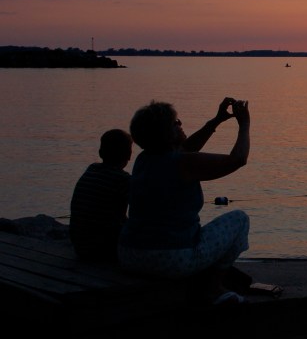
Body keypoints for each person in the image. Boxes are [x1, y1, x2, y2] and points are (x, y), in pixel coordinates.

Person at [119, 97, 251, 304]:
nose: (180, 124)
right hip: (170, 260)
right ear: (166, 133)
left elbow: (186, 150)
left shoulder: (144, 159)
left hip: (129, 255)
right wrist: (244, 125)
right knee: (240, 220)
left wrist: (215, 121)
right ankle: (212, 288)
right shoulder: (183, 164)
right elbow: (238, 159)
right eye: (175, 122)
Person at [69, 129, 133, 262]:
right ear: (129, 155)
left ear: (100, 153)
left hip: (80, 246)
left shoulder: (92, 169)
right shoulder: (123, 179)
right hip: (104, 248)